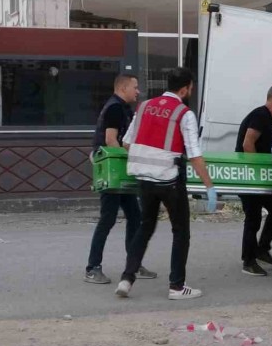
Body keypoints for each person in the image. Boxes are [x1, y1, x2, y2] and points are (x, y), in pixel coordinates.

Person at [115, 68, 217, 300]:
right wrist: (209, 186)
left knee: (145, 227)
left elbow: (126, 142)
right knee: (181, 231)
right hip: (169, 180)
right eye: (190, 88)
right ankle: (177, 287)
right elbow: (194, 155)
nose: (190, 91)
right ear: (184, 89)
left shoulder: (143, 106)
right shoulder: (184, 113)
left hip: (144, 179)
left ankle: (127, 278)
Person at [85, 74, 157, 284]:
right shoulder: (115, 108)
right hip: (112, 170)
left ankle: (133, 265)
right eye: (135, 87)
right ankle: (92, 268)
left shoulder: (123, 108)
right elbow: (110, 140)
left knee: (135, 217)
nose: (138, 91)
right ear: (123, 87)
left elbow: (124, 141)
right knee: (107, 219)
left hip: (119, 170)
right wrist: (128, 161)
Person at [235, 85, 272, 277]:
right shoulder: (260, 115)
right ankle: (248, 261)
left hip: (259, 178)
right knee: (253, 218)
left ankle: (262, 249)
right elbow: (247, 143)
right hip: (249, 177)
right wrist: (257, 171)